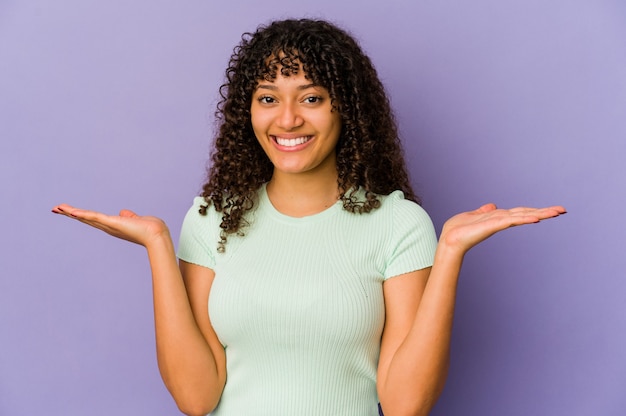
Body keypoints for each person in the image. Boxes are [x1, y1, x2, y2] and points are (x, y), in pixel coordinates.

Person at [52, 18, 565, 416]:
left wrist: (449, 251)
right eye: (268, 98)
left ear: (347, 109)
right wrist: (159, 246)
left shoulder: (399, 224)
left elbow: (405, 404)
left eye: (312, 98)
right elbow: (196, 397)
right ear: (247, 112)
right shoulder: (211, 219)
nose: (288, 119)